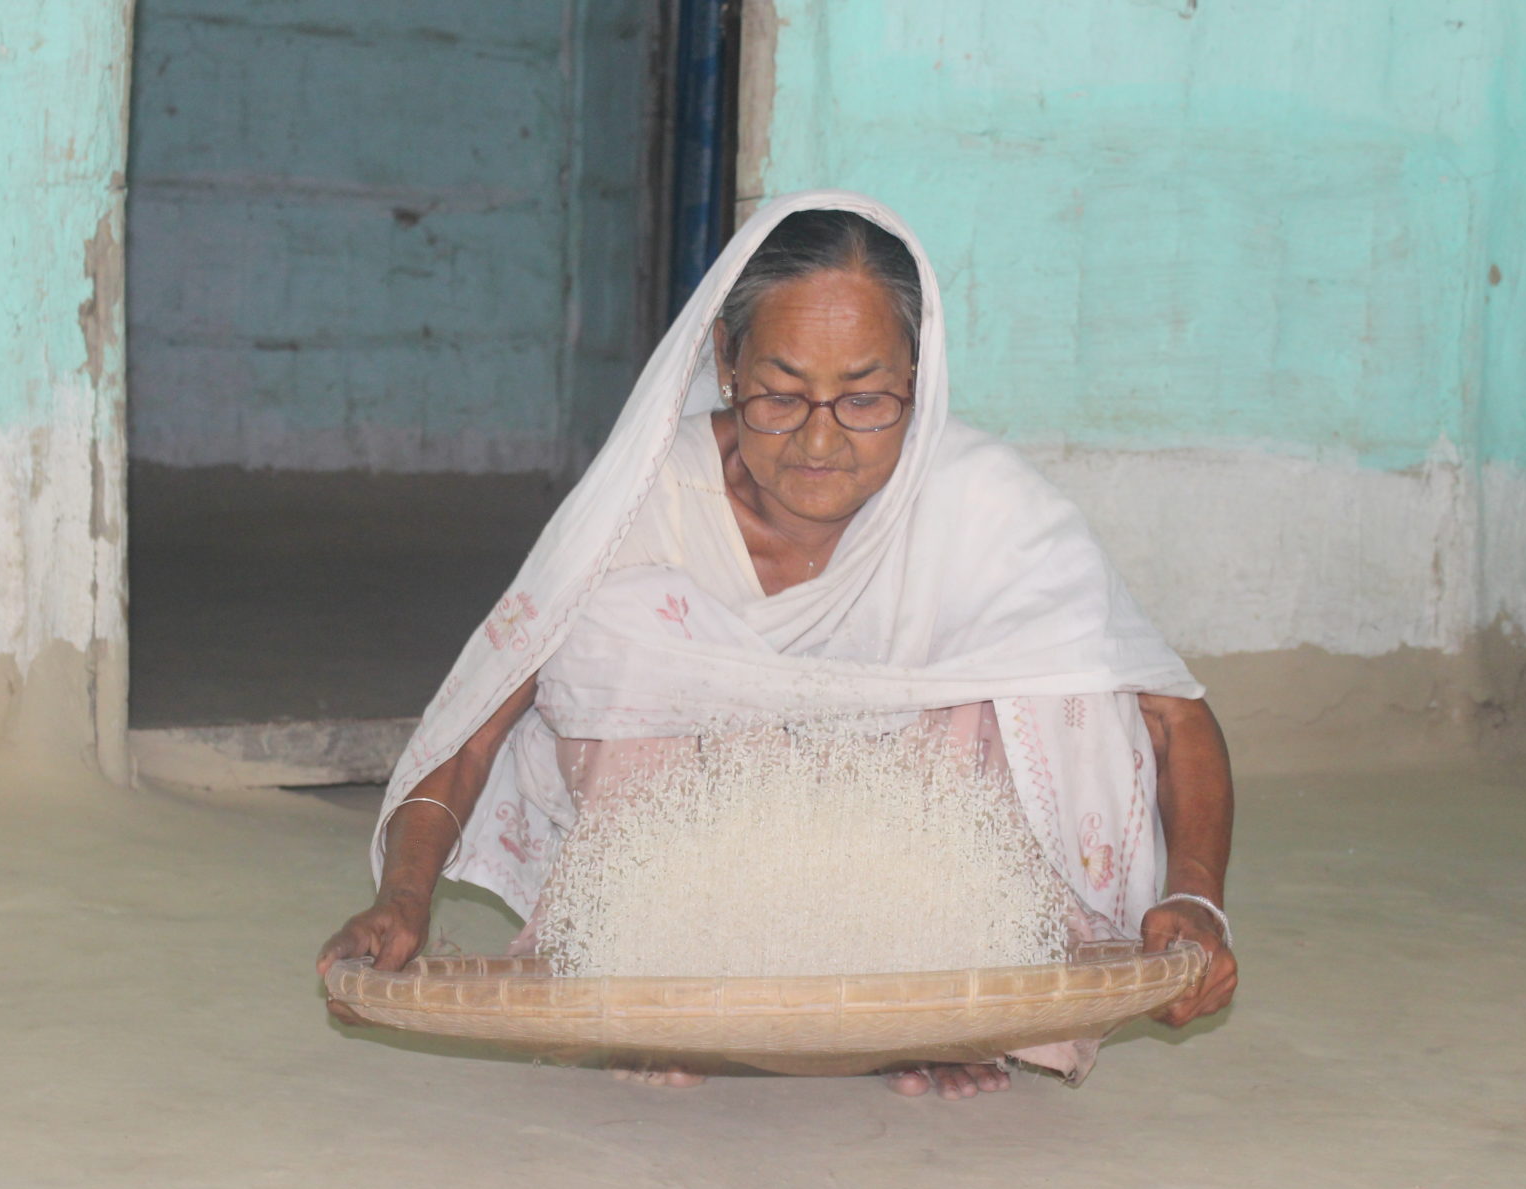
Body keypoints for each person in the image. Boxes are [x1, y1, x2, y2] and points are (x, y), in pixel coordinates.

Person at [318, 190, 1237, 1098]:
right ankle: (665, 989)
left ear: (919, 378)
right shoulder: (649, 499)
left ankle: (953, 997)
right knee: (618, 629)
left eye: (866, 399)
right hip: (687, 916)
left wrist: (1194, 898)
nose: (820, 441)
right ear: (725, 361)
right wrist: (404, 897)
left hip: (928, 903)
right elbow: (479, 721)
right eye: (781, 395)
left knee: (1065, 680)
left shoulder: (981, 499)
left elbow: (1171, 714)